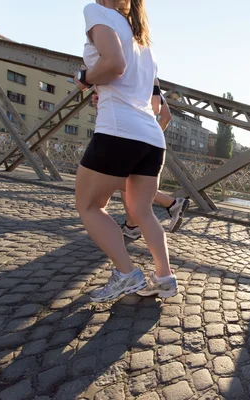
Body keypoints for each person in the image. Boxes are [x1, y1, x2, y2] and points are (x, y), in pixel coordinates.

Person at [74, 0, 177, 302]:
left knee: (89, 206)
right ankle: (164, 277)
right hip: (151, 137)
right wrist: (101, 89)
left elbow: (114, 65)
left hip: (119, 131)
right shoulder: (142, 38)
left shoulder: (97, 12)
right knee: (142, 210)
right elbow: (154, 103)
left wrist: (84, 79)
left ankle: (126, 274)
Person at [91, 88, 190, 238]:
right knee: (126, 182)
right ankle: (132, 226)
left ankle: (171, 203)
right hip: (149, 144)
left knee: (109, 178)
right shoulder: (149, 85)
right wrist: (152, 136)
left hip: (126, 138)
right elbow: (166, 117)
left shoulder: (130, 84)